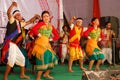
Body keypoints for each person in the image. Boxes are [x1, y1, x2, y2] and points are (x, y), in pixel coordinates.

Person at [2, 2, 40, 80]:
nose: (19, 16)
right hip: (10, 44)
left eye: (20, 14)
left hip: (14, 45)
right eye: (17, 15)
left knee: (22, 58)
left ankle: (22, 75)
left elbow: (29, 22)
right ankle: (5, 77)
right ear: (14, 16)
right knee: (11, 60)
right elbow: (8, 12)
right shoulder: (12, 20)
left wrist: (35, 17)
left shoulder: (20, 24)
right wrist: (12, 5)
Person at [29, 11, 59, 80]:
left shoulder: (51, 26)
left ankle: (46, 74)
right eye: (44, 16)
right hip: (40, 45)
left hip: (47, 45)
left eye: (47, 16)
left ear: (49, 17)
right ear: (42, 18)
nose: (46, 17)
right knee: (42, 60)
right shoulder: (41, 23)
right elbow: (34, 29)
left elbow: (57, 36)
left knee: (53, 59)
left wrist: (51, 39)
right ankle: (38, 78)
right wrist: (39, 35)